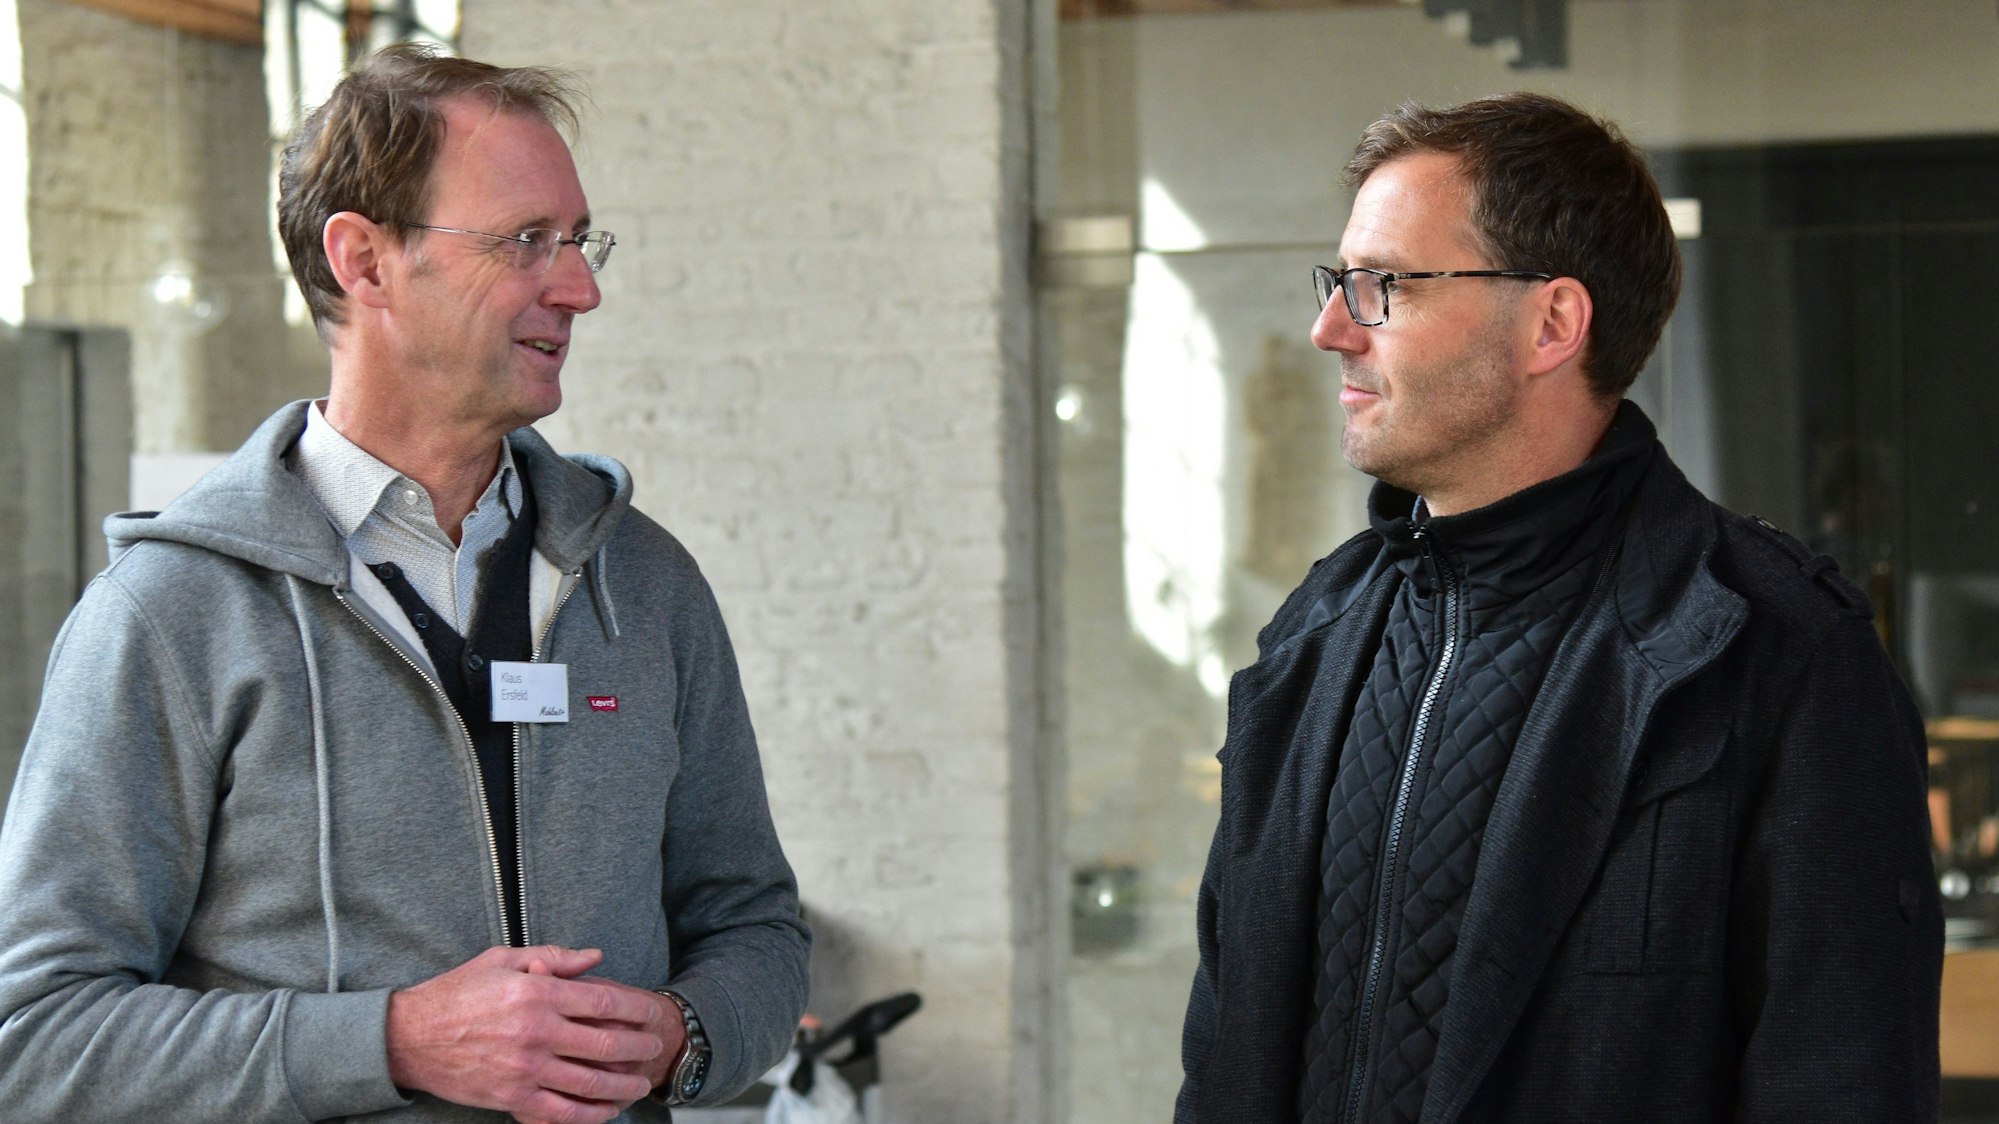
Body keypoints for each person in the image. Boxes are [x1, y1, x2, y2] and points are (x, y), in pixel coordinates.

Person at [0, 45, 808, 1123]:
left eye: (577, 240)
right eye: (526, 241)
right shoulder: (170, 615)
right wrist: (390, 1042)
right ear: (365, 261)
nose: (581, 287)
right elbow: (35, 1037)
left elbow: (755, 929)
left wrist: (684, 1031)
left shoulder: (645, 582)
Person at [1176, 92, 1941, 1122]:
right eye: (1338, 283)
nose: (1328, 330)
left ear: (1551, 322)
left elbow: (1842, 1086)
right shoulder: (1312, 638)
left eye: (1380, 286)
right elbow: (1220, 1063)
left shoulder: (1774, 649)